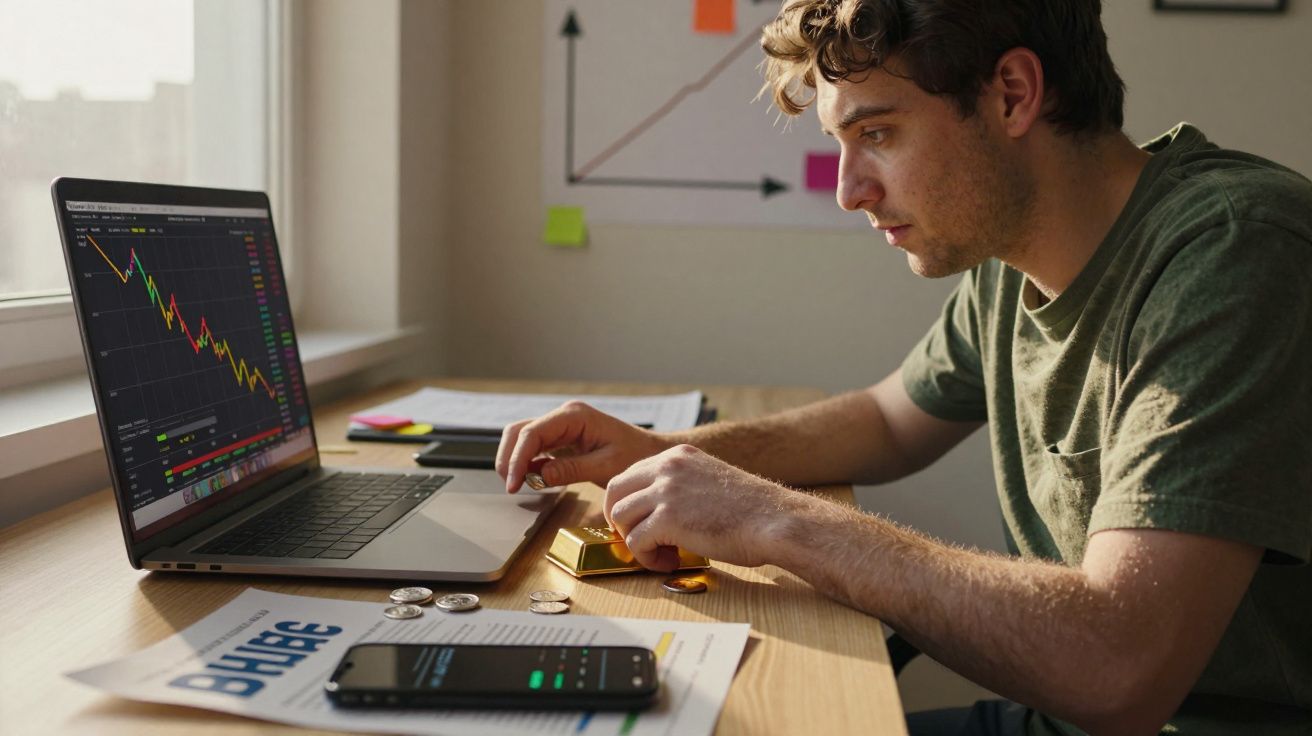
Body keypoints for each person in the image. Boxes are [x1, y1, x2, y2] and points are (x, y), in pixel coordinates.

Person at [497, 1, 1312, 733]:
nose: (850, 191)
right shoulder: (1009, 246)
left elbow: (1119, 668)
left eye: (877, 134)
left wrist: (770, 519)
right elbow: (889, 421)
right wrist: (662, 456)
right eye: (839, 143)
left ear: (1013, 94)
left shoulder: (1234, 253)